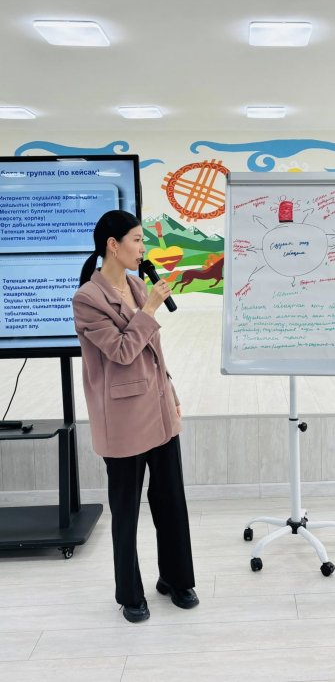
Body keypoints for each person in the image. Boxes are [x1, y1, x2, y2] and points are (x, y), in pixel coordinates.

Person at [72, 210, 198, 623]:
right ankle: (129, 593)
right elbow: (122, 351)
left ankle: (176, 579)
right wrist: (151, 308)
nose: (144, 248)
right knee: (126, 511)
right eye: (138, 240)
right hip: (123, 419)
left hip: (159, 410)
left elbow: (153, 353)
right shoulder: (88, 299)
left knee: (171, 501)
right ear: (113, 245)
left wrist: (172, 393)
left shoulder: (137, 284)